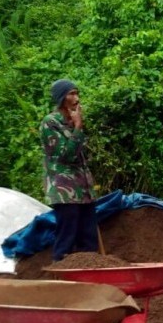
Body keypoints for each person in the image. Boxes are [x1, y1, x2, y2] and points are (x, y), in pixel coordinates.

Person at [39, 79, 98, 262]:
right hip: (64, 190)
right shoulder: (50, 123)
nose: (76, 98)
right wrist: (78, 127)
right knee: (67, 235)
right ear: (61, 98)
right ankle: (61, 275)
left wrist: (76, 125)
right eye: (71, 94)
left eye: (76, 93)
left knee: (88, 236)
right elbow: (66, 155)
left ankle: (89, 274)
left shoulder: (72, 121)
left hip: (83, 188)